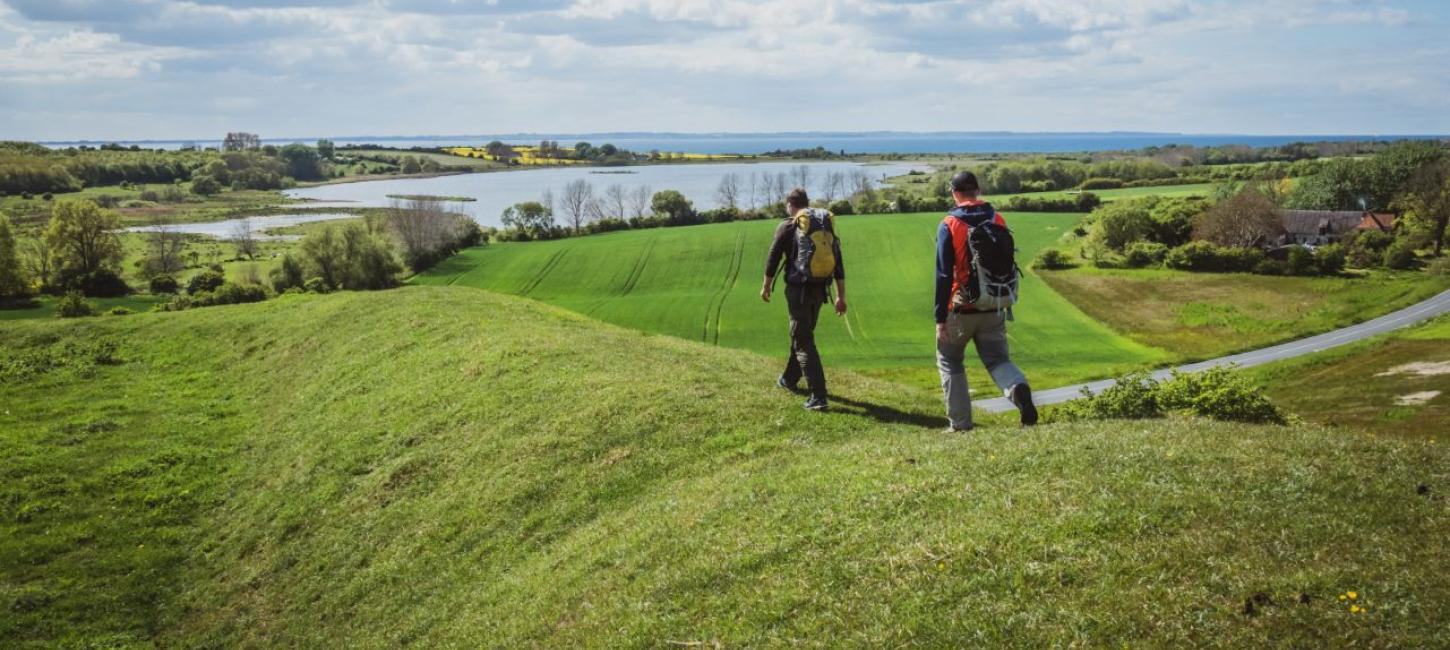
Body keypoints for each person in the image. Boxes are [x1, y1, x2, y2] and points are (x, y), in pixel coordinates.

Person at [935, 171, 1037, 430]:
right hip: (994, 303)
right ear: (977, 191)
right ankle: (1017, 389)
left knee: (950, 361)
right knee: (998, 360)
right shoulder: (997, 218)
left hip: (960, 308)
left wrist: (939, 318)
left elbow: (944, 274)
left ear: (954, 193)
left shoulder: (949, 224)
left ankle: (960, 424)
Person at [761, 187, 846, 411]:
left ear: (791, 205)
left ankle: (818, 396)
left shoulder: (789, 225)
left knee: (802, 339)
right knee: (802, 334)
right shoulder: (823, 224)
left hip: (798, 291)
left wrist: (766, 285)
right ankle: (789, 379)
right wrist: (841, 296)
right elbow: (838, 260)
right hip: (820, 290)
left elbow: (773, 256)